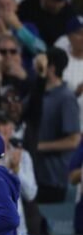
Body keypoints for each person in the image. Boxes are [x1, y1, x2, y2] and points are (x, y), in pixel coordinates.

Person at [35, 48, 80, 203]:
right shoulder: (38, 92)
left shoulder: (66, 98)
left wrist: (38, 146)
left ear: (51, 67)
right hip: (35, 174)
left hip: (53, 177)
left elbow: (74, 140)